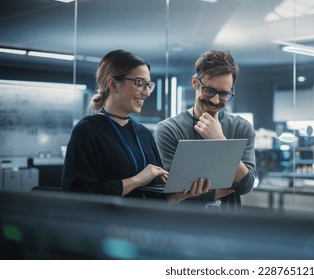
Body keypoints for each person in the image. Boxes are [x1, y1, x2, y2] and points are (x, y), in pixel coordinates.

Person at [61, 49, 209, 202]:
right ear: (113, 84)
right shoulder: (87, 131)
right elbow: (76, 196)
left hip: (144, 224)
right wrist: (137, 180)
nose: (147, 93)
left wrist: (179, 195)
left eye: (148, 85)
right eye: (139, 83)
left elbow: (156, 199)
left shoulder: (143, 134)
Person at [155, 50, 257, 210]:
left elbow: (245, 185)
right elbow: (172, 191)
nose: (215, 100)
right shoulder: (169, 129)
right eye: (209, 90)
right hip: (185, 226)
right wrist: (230, 185)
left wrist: (220, 141)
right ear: (195, 82)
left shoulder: (242, 128)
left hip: (227, 228)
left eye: (223, 94)